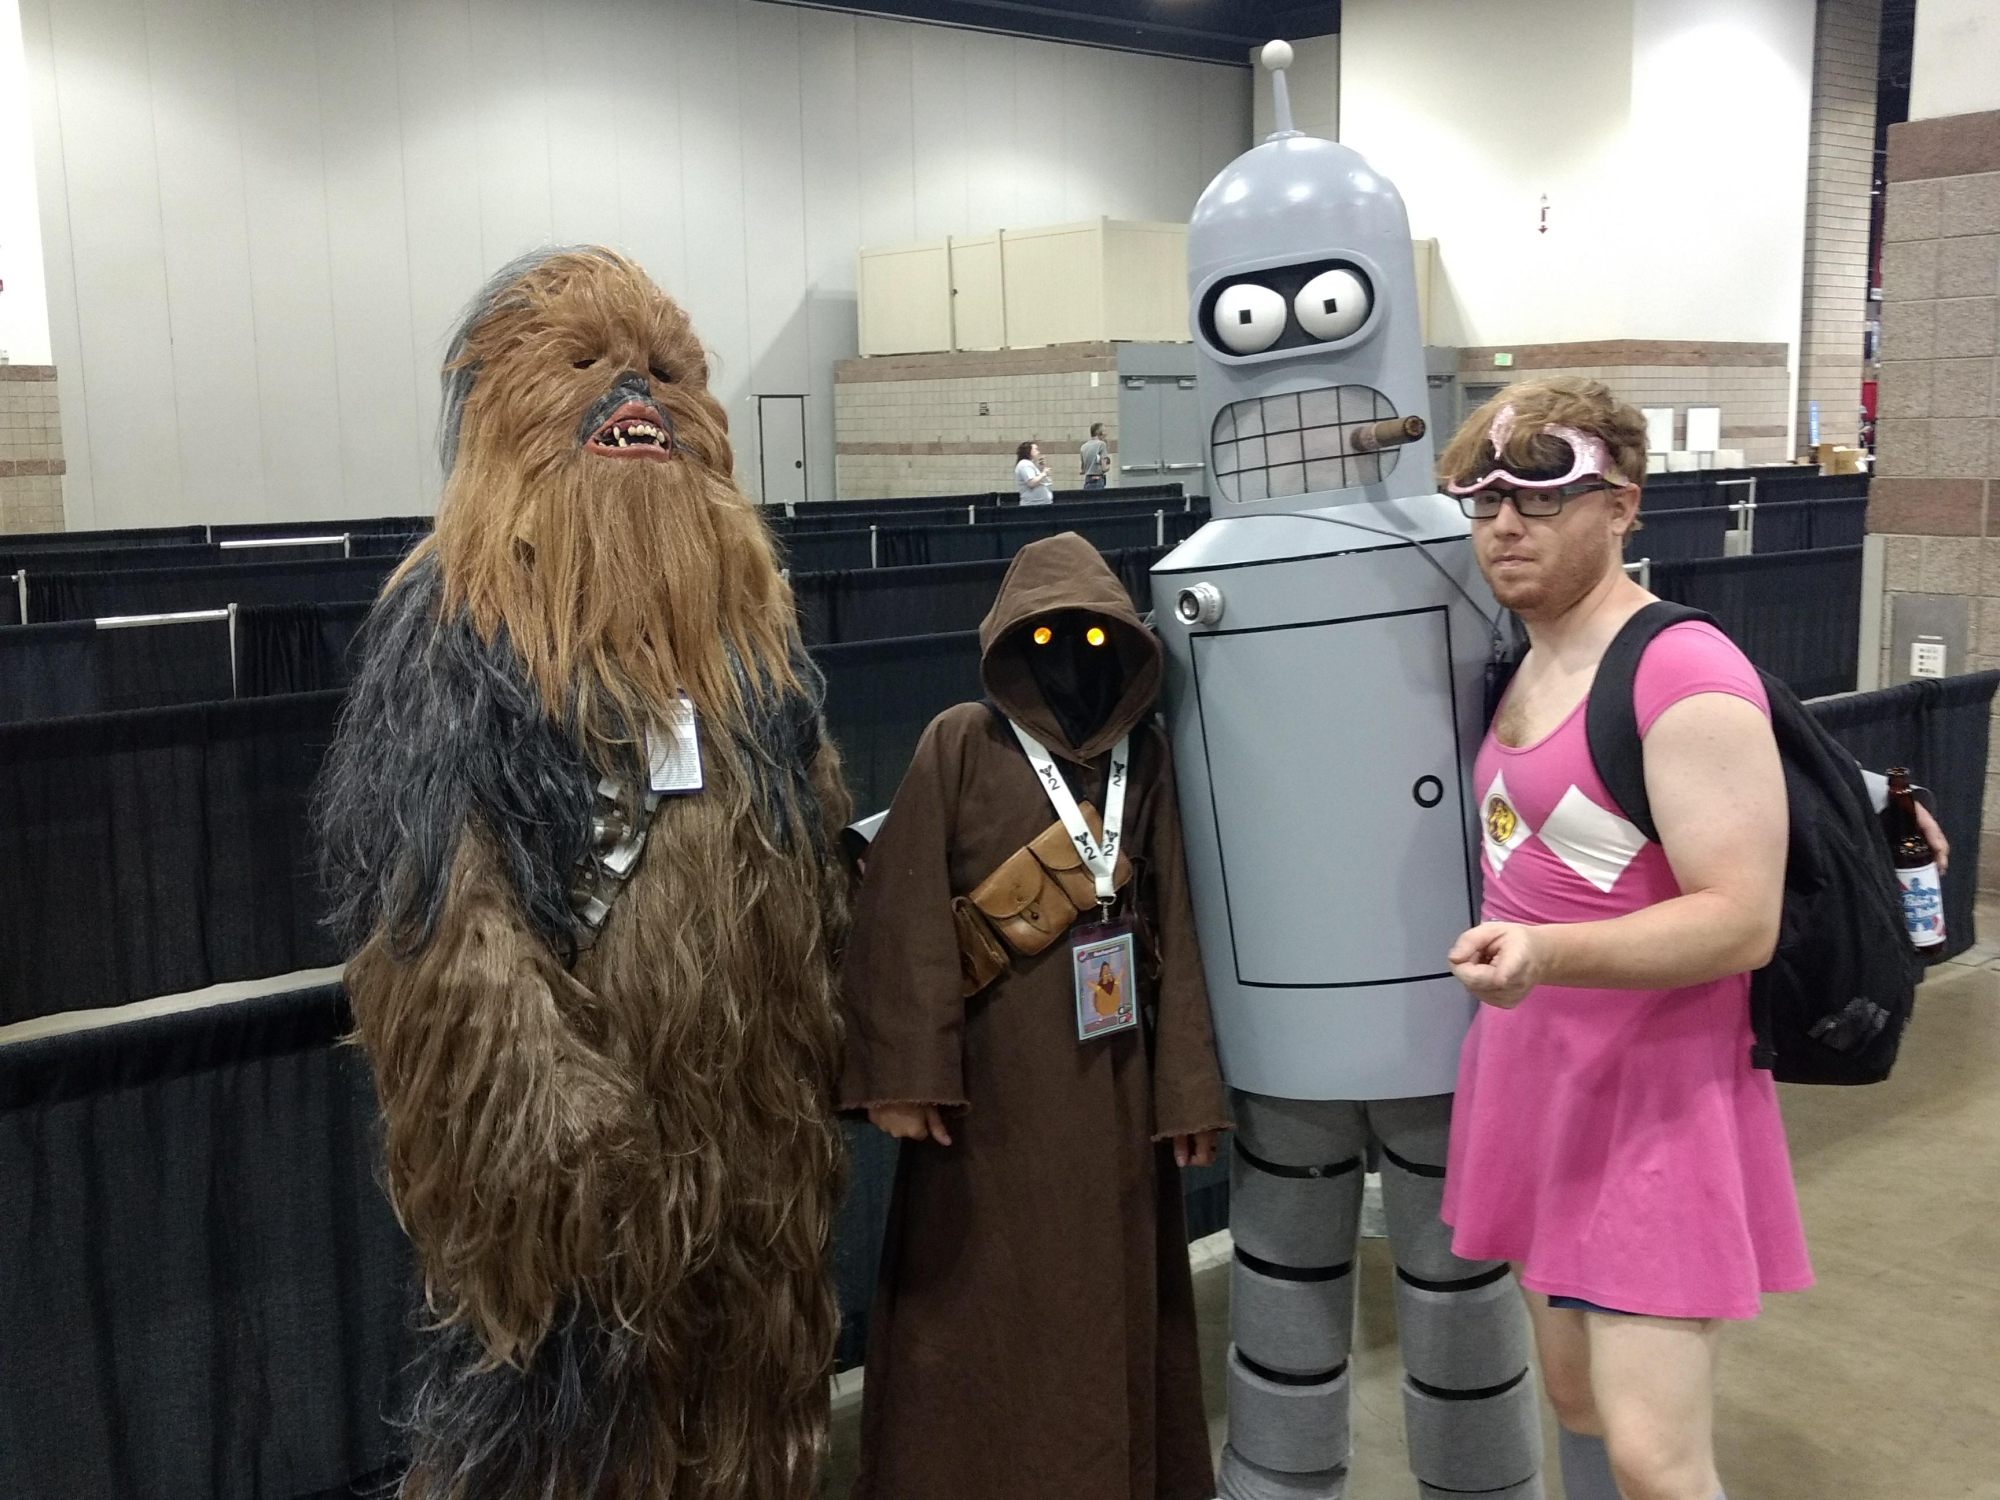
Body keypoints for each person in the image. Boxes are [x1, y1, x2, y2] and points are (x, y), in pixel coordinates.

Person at [1439, 377, 1804, 1500]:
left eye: (1542, 498)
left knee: (1655, 1456)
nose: (1506, 525)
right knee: (1578, 1403)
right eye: (1486, 500)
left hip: (1657, 1099)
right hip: (1539, 1085)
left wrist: (1546, 953)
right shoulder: (1530, 662)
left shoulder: (1682, 674)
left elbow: (1739, 917)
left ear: (1622, 507)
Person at [839, 531, 1228, 1500]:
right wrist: (905, 1077)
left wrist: (1186, 1089)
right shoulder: (959, 744)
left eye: (1094, 640)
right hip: (990, 1096)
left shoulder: (1147, 756)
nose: (1070, 659)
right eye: (1047, 638)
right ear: (1011, 643)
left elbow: (1180, 913)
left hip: (1116, 1084)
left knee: (1106, 1297)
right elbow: (902, 914)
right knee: (980, 1305)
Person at [1015, 439, 1055, 505]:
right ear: (1028, 451)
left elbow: (1037, 480)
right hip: (1033, 505)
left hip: (1041, 504)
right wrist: (1044, 473)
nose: (1038, 452)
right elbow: (1031, 483)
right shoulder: (1025, 464)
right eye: (1036, 449)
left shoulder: (1029, 464)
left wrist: (1041, 469)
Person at [1081, 423, 1112, 491]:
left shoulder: (1083, 447)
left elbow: (1083, 470)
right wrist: (1108, 466)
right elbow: (1104, 468)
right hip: (1098, 480)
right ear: (1099, 433)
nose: (1106, 434)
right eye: (1104, 431)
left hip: (1088, 480)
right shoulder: (1101, 444)